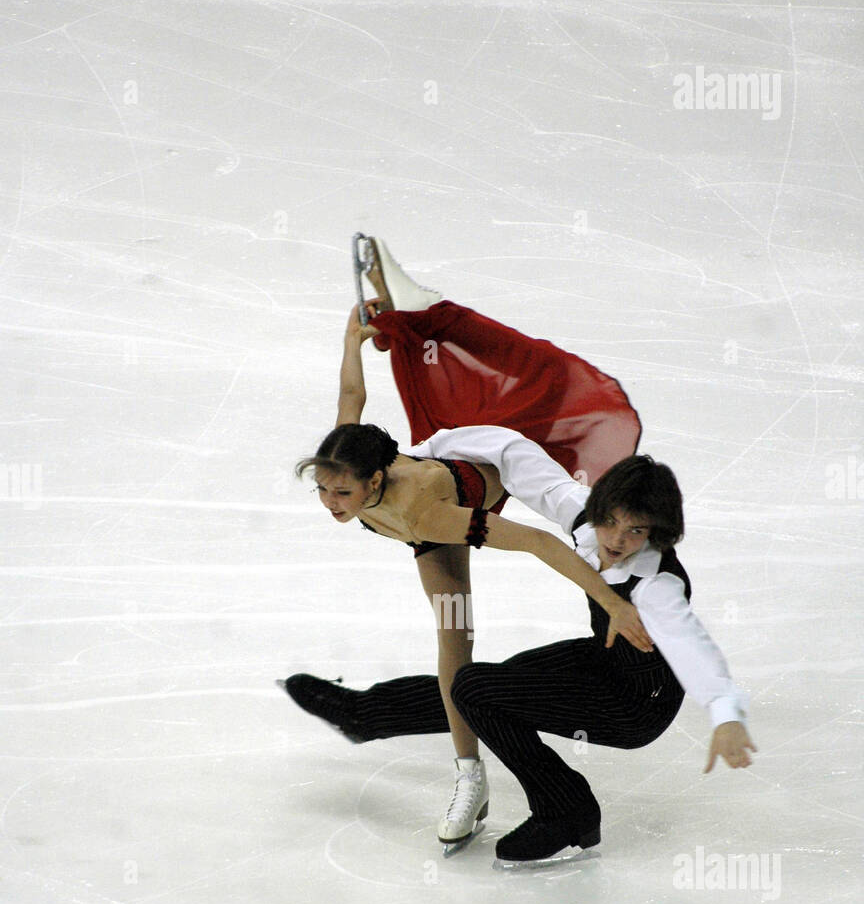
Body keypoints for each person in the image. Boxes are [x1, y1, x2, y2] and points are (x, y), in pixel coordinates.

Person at [292, 237, 648, 847]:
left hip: (492, 460)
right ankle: (470, 776)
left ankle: (609, 531)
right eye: (324, 490)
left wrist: (614, 603)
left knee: (578, 518)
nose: (331, 503)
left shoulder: (430, 514)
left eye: (341, 496)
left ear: (374, 481)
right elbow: (353, 397)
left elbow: (536, 541)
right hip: (428, 503)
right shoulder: (349, 459)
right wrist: (352, 341)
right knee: (453, 640)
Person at [284, 438, 755, 866]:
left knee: (479, 690)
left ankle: (565, 810)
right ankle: (364, 714)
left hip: (635, 706)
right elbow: (514, 455)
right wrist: (427, 451)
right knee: (487, 688)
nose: (615, 539)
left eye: (636, 531)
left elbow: (692, 645)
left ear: (660, 532)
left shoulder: (657, 589)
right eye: (609, 520)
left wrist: (725, 712)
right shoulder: (587, 524)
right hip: (599, 659)